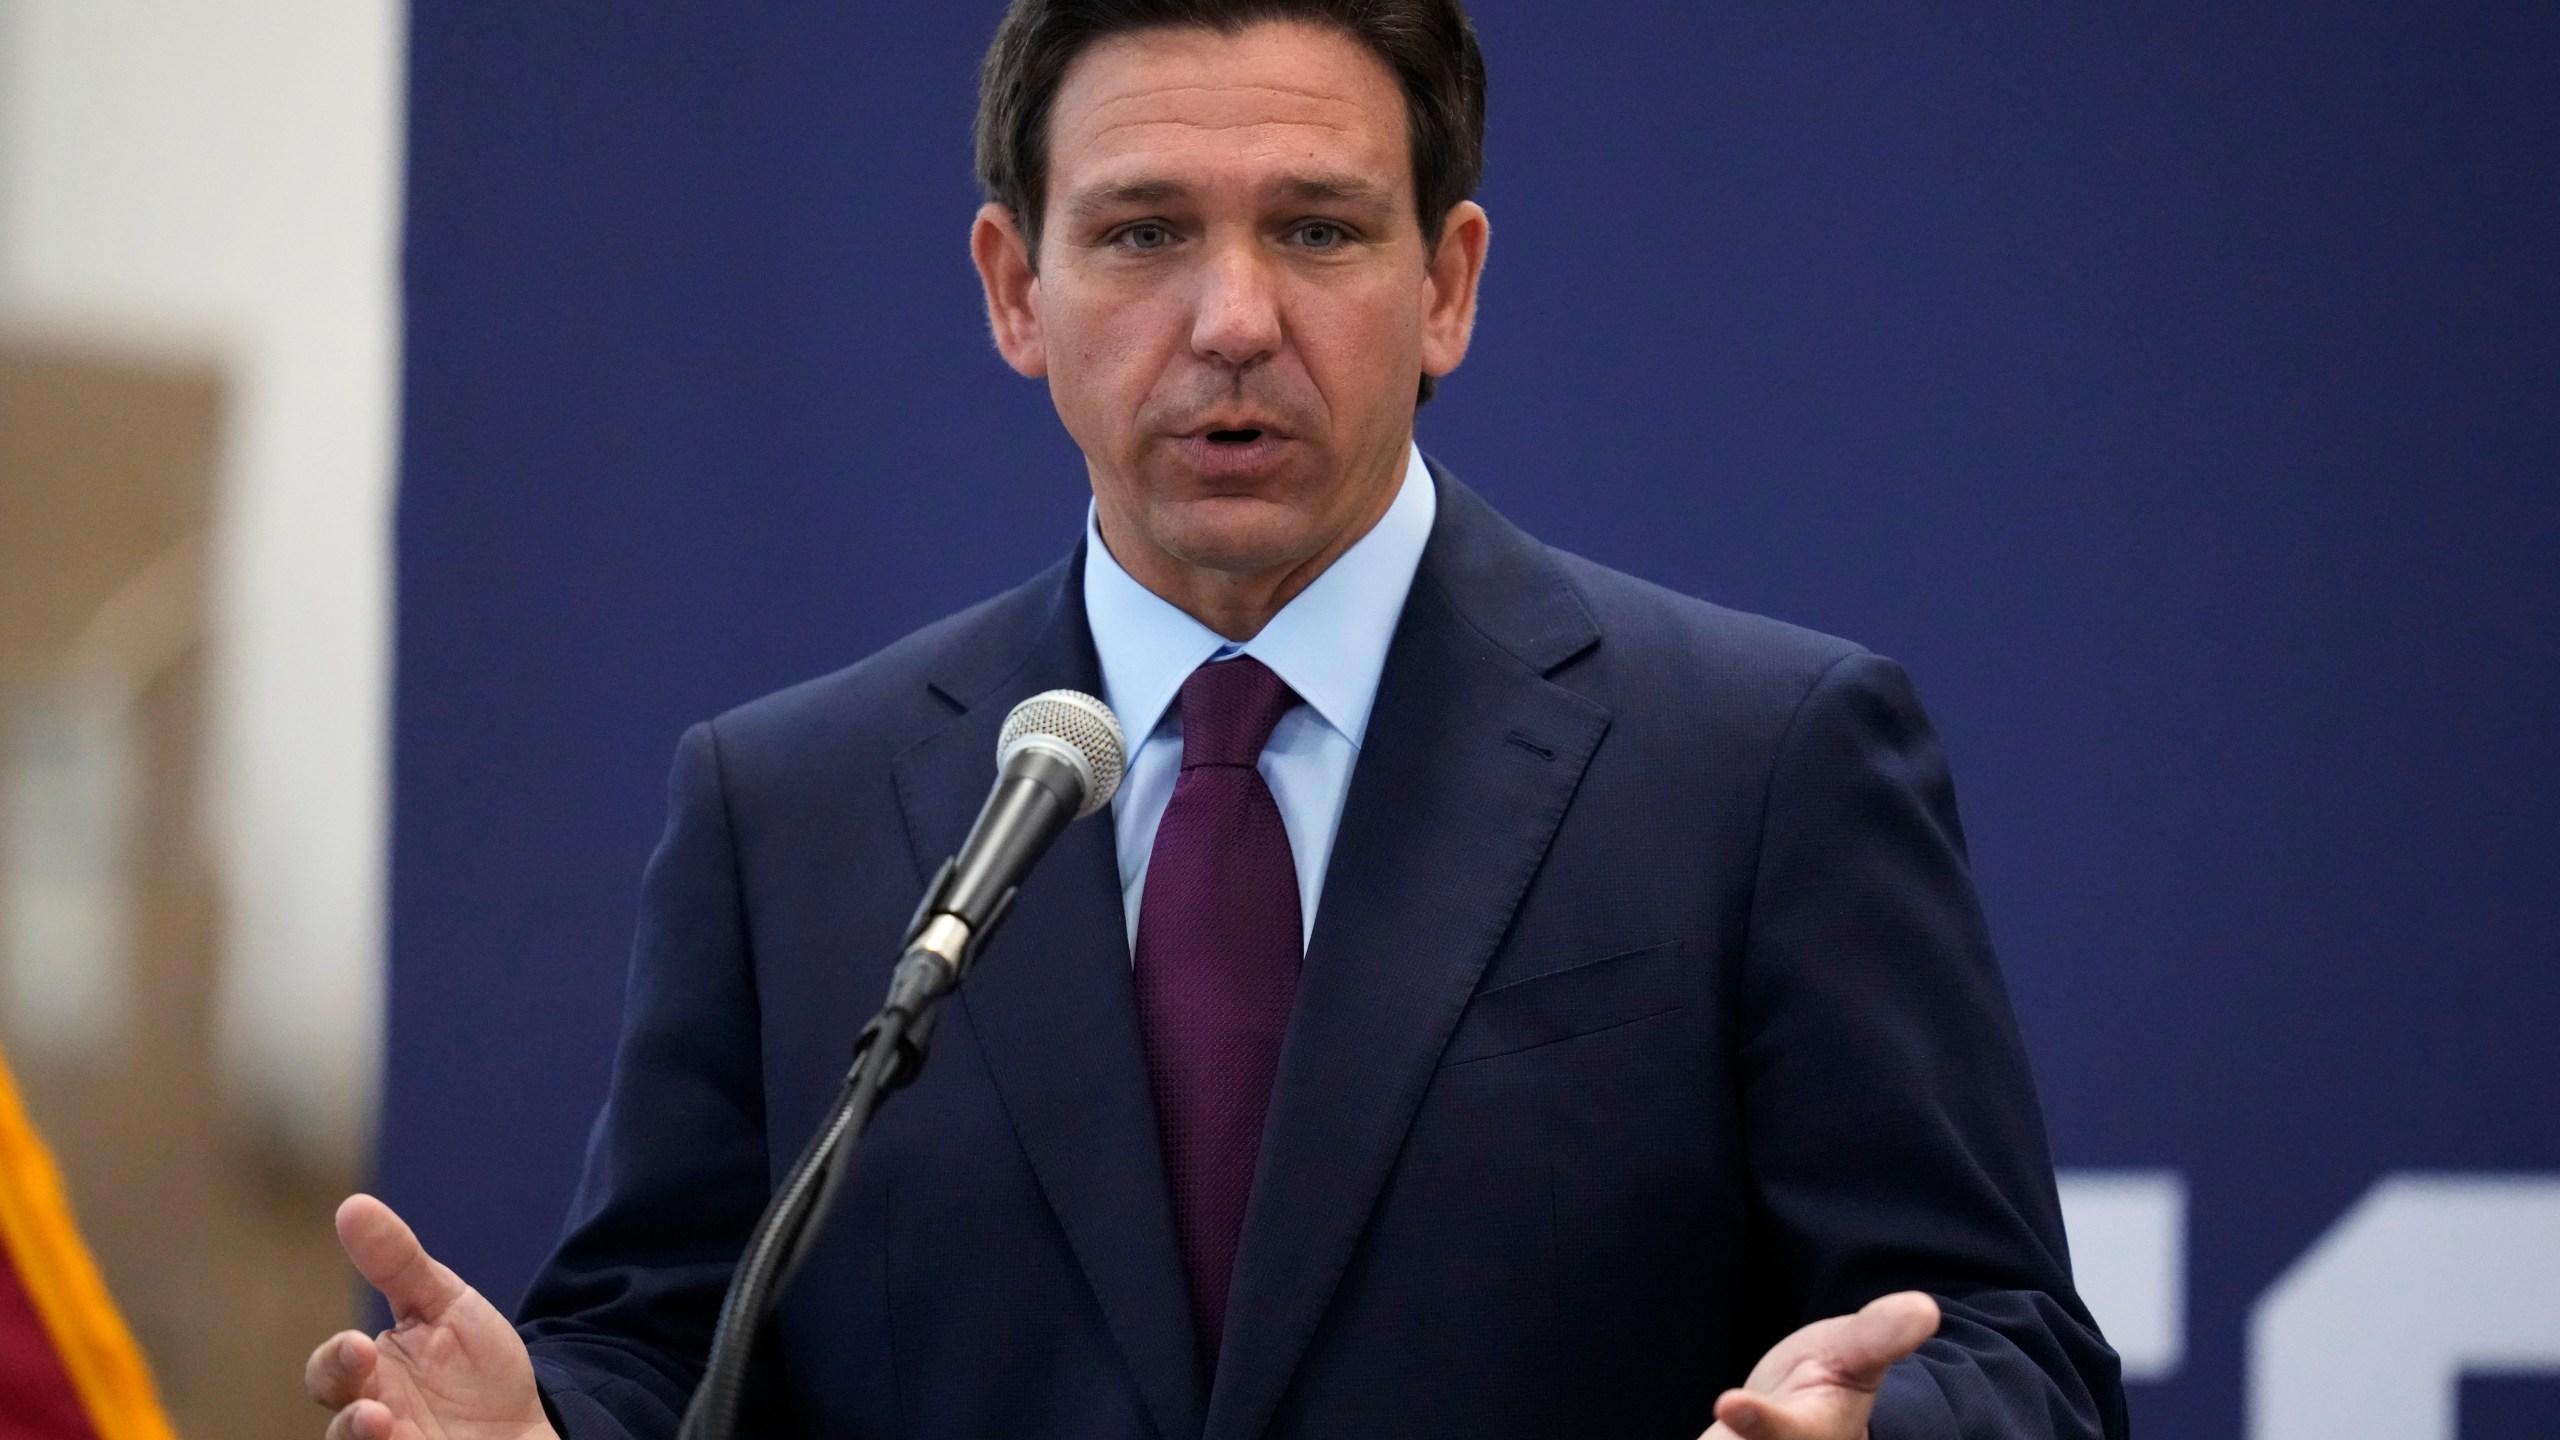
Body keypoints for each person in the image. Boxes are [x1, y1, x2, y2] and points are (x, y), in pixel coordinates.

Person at [305, 2, 2127, 1437]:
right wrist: (543, 1426)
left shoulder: (1760, 761)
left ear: (1450, 283)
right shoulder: (786, 807)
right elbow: (664, 1351)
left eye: (1318, 230)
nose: (1233, 318)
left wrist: (1886, 1429)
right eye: (1146, 231)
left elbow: (2013, 1351)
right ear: (1019, 291)